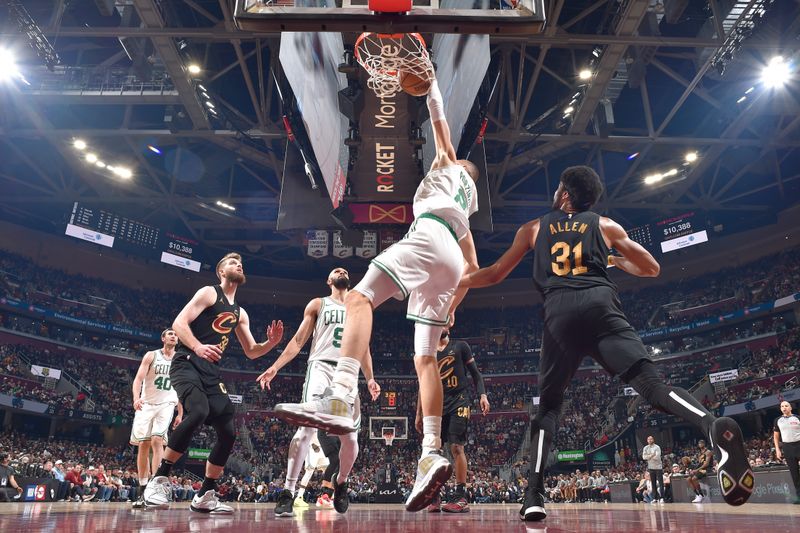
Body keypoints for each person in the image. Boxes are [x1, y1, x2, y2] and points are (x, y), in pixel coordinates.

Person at [459, 165, 753, 521]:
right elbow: (651, 268)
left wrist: (459, 280)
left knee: (548, 409)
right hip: (602, 305)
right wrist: (610, 258)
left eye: (558, 189)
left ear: (564, 194)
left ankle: (533, 495)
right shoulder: (605, 225)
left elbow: (495, 274)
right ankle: (710, 424)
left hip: (560, 312)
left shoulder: (533, 229)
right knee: (652, 386)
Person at [273, 68, 480, 513]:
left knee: (359, 298)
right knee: (425, 358)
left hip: (429, 234)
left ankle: (341, 391)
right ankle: (429, 451)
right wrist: (450, 310)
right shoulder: (469, 202)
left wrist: (432, 84)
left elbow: (440, 123)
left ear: (464, 169)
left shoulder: (449, 167)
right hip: (453, 263)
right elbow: (473, 269)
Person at [143, 252, 284, 514]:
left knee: (228, 431)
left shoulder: (240, 313)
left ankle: (205, 494)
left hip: (211, 372)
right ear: (221, 272)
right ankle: (158, 480)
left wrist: (271, 344)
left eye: (240, 263)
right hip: (186, 361)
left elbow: (252, 350)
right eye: (232, 263)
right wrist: (197, 347)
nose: (238, 265)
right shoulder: (209, 292)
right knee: (198, 411)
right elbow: (179, 322)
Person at [258, 268, 380, 516]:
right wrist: (274, 367)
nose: (341, 271)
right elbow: (297, 341)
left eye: (345, 270)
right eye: (336, 270)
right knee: (306, 427)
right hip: (320, 366)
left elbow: (363, 346)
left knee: (350, 437)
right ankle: (288, 493)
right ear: (329, 281)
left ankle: (342, 482)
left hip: (349, 371)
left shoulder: (359, 307)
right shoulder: (318, 304)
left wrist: (370, 378)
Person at [424, 329, 489, 513]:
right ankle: (435, 495)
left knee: (456, 447)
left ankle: (461, 496)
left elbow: (476, 374)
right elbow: (424, 385)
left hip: (459, 400)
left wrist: (482, 396)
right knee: (434, 451)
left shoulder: (460, 346)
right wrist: (419, 413)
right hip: (437, 404)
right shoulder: (429, 352)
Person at [130, 328, 183, 509]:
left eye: (176, 334)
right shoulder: (151, 355)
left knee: (157, 440)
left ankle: (155, 484)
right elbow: (138, 379)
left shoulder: (179, 359)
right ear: (163, 338)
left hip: (167, 403)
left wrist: (181, 413)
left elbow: (181, 387)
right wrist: (136, 398)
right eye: (170, 333)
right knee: (143, 444)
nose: (173, 336)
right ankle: (143, 486)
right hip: (147, 403)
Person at [773, 401, 800, 504]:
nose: (784, 407)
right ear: (780, 409)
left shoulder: (797, 418)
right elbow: (776, 437)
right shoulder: (777, 420)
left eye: (786, 406)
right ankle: (799, 496)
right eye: (782, 406)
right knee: (794, 473)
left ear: (790, 408)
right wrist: (778, 449)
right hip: (787, 447)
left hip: (799, 444)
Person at [642, 435, 664, 503]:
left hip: (658, 467)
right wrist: (651, 455)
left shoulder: (657, 447)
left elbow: (657, 457)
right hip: (651, 467)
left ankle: (662, 497)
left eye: (651, 439)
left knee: (660, 483)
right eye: (648, 439)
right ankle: (655, 498)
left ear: (653, 440)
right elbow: (644, 457)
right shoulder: (645, 448)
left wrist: (649, 457)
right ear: (647, 440)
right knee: (653, 483)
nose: (650, 440)